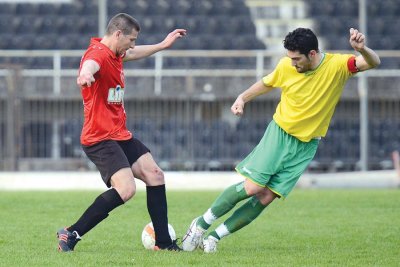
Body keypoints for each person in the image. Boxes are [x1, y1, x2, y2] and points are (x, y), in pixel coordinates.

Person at [182, 27, 380, 253]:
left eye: (297, 59)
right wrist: (242, 98)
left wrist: (362, 49)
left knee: (267, 196)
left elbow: (373, 62)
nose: (292, 63)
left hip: (307, 145)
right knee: (254, 187)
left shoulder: (337, 66)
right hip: (280, 134)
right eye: (290, 58)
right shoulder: (286, 66)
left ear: (312, 54)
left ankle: (215, 237)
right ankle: (200, 225)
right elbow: (268, 83)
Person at [56, 13, 186, 252]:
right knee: (126, 189)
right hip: (99, 138)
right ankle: (71, 233)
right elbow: (90, 64)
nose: (133, 45)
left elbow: (134, 53)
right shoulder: (98, 54)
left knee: (155, 175)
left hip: (119, 134)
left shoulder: (116, 53)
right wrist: (85, 74)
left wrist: (163, 45)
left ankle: (164, 244)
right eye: (131, 39)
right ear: (118, 34)